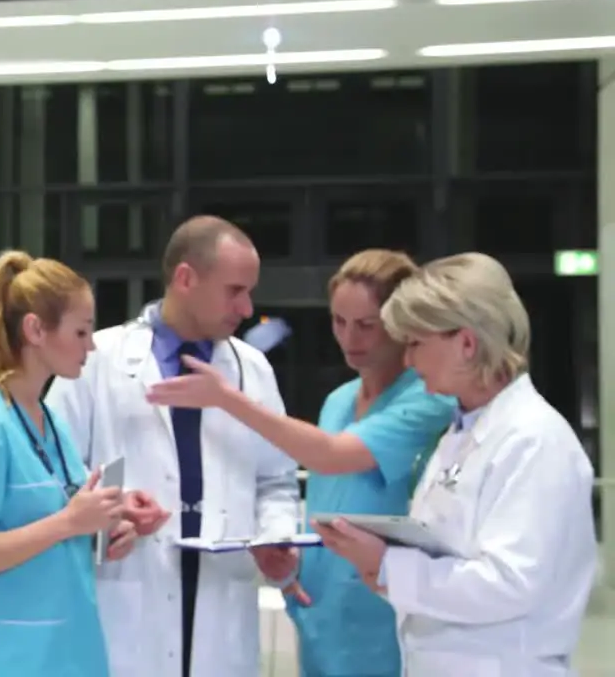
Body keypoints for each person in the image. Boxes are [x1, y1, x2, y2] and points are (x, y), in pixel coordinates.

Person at [147, 249, 456, 677]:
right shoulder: (339, 401)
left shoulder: (428, 400)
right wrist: (292, 566)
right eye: (339, 322)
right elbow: (318, 495)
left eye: (367, 326)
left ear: (403, 325)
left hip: (384, 618)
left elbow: (330, 455)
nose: (351, 339)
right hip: (319, 613)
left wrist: (226, 399)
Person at [313, 252, 598, 676]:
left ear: (466, 343)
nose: (407, 361)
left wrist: (390, 565)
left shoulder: (534, 440)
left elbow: (511, 582)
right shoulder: (461, 434)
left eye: (415, 344)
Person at [46, 216, 301, 677]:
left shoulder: (253, 371)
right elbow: (50, 476)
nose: (246, 308)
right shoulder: (97, 361)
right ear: (185, 279)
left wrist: (275, 536)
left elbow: (277, 481)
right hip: (126, 595)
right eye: (234, 290)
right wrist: (111, 511)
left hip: (223, 603)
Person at [0, 250, 138, 677]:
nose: (91, 345)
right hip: (2, 659)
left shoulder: (51, 423)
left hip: (66, 654)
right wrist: (69, 523)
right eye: (81, 331)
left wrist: (109, 522)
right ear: (35, 330)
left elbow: (63, 524)